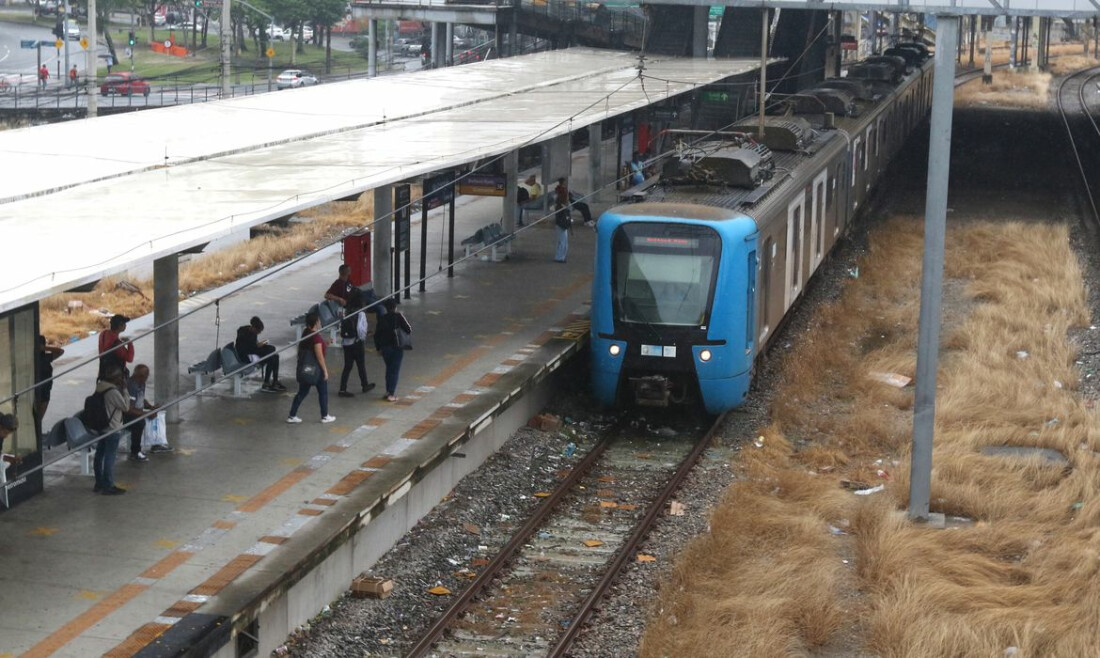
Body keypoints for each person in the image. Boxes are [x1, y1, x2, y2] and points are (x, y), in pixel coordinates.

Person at [288, 311, 335, 424]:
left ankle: (292, 415)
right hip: (316, 370)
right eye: (318, 321)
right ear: (315, 322)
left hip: (306, 368)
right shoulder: (316, 338)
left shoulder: (306, 333)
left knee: (302, 392)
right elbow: (319, 356)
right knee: (323, 392)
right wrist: (325, 371)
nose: (320, 322)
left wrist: (326, 343)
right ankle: (324, 415)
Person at [92, 365, 129, 495]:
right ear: (117, 378)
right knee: (110, 457)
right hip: (112, 428)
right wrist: (125, 390)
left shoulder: (100, 386)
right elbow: (125, 407)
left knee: (99, 455)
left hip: (101, 426)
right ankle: (108, 485)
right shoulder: (113, 392)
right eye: (120, 377)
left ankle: (99, 483)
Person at [123, 364, 165, 462]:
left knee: (158, 414)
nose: (147, 378)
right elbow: (129, 409)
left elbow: (141, 398)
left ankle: (157, 443)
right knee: (139, 423)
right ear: (141, 376)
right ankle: (135, 452)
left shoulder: (141, 383)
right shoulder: (131, 385)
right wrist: (146, 414)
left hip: (136, 410)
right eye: (146, 376)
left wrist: (151, 407)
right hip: (125, 415)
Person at [374, 297, 412, 402]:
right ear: (395, 307)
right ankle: (391, 393)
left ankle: (388, 391)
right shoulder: (398, 316)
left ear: (385, 308)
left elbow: (376, 335)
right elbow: (409, 329)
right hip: (397, 347)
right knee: (394, 371)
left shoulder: (382, 318)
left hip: (385, 348)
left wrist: (378, 348)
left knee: (389, 369)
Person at [338, 290, 375, 398]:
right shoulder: (360, 313)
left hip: (346, 343)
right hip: (357, 342)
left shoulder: (347, 311)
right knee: (361, 365)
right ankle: (364, 384)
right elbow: (361, 329)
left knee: (347, 366)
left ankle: (342, 388)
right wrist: (363, 337)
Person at [235, 316, 286, 393]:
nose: (259, 333)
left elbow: (254, 346)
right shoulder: (245, 334)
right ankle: (266, 383)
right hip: (246, 356)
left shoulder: (250, 331)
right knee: (271, 357)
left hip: (252, 352)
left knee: (275, 355)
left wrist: (260, 345)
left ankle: (275, 381)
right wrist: (260, 345)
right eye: (259, 331)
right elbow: (250, 348)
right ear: (254, 328)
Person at [33, 335, 64, 440]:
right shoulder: (32, 358)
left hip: (46, 389)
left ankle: (37, 432)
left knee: (40, 414)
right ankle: (35, 433)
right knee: (34, 414)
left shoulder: (46, 357)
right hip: (35, 390)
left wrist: (45, 348)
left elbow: (61, 351)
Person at [98, 314, 134, 379]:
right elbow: (130, 358)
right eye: (124, 324)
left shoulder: (103, 334)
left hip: (103, 371)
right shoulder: (117, 345)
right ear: (120, 326)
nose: (126, 325)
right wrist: (129, 343)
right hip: (116, 377)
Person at [553, 177, 571, 263]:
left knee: (561, 240)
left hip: (559, 223)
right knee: (563, 241)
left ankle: (559, 256)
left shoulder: (558, 203)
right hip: (562, 223)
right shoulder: (562, 206)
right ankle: (560, 257)